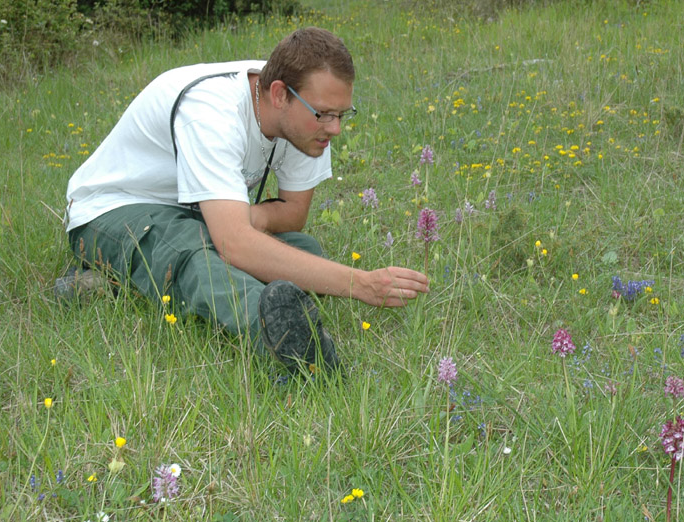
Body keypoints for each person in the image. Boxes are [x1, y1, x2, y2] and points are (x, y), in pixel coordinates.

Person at [62, 28, 429, 373]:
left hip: (194, 215)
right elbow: (236, 245)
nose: (334, 128)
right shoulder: (210, 113)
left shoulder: (305, 123)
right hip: (111, 211)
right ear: (280, 95)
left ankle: (111, 283)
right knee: (200, 257)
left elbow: (294, 215)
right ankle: (287, 343)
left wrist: (252, 221)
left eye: (341, 115)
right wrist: (359, 283)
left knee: (304, 248)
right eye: (324, 114)